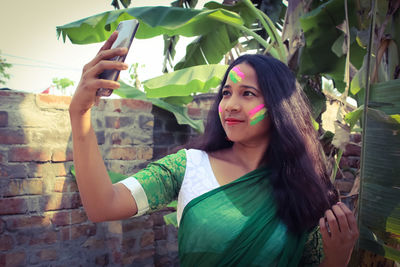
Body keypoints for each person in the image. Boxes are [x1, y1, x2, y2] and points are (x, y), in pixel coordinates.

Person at [69, 32, 359, 266]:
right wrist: (79, 113)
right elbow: (102, 204)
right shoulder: (187, 167)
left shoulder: (306, 190)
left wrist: (338, 257)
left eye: (247, 94)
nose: (230, 104)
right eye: (226, 93)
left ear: (278, 107)